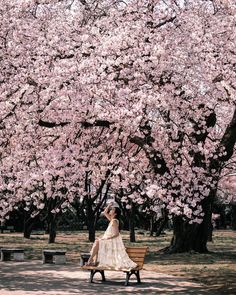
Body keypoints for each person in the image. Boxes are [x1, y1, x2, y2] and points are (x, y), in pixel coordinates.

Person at [86, 202, 137, 270]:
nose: (110, 210)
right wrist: (109, 205)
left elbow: (116, 234)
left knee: (98, 242)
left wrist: (106, 238)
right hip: (110, 239)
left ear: (115, 213)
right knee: (97, 241)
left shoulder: (114, 221)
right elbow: (104, 212)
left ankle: (91, 260)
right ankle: (93, 260)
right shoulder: (112, 220)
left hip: (113, 241)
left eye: (112, 210)